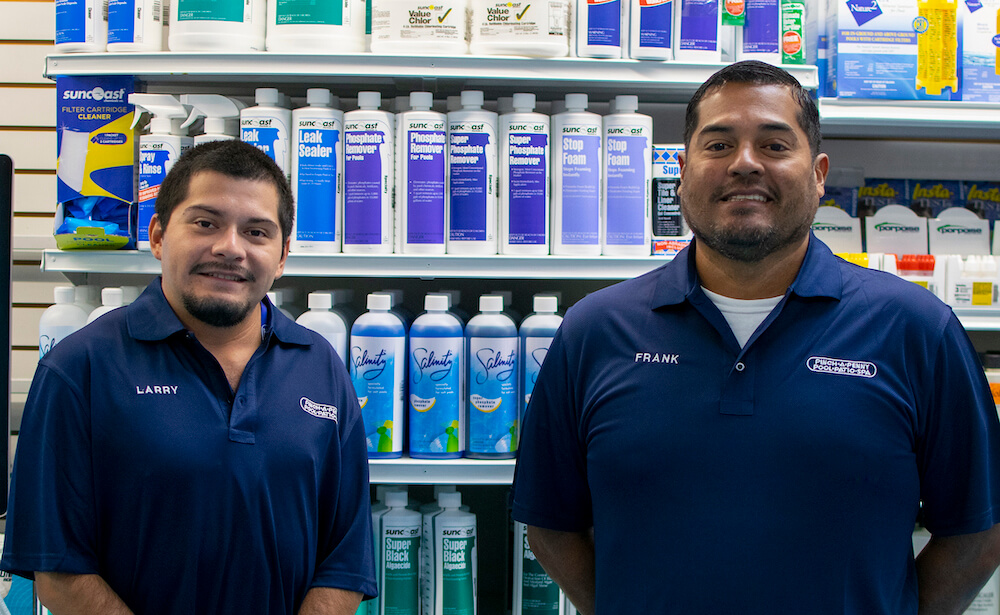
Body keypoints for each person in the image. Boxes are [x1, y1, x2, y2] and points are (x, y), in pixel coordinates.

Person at [511, 60, 1000, 614]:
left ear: (818, 174)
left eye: (773, 145)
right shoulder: (594, 331)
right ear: (682, 170)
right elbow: (550, 524)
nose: (744, 164)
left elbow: (977, 535)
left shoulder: (917, 329)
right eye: (717, 146)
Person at [1, 140, 376, 614]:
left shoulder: (320, 366)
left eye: (257, 232)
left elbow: (344, 563)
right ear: (158, 235)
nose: (230, 248)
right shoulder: (80, 369)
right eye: (205, 223)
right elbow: (58, 570)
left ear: (281, 257)